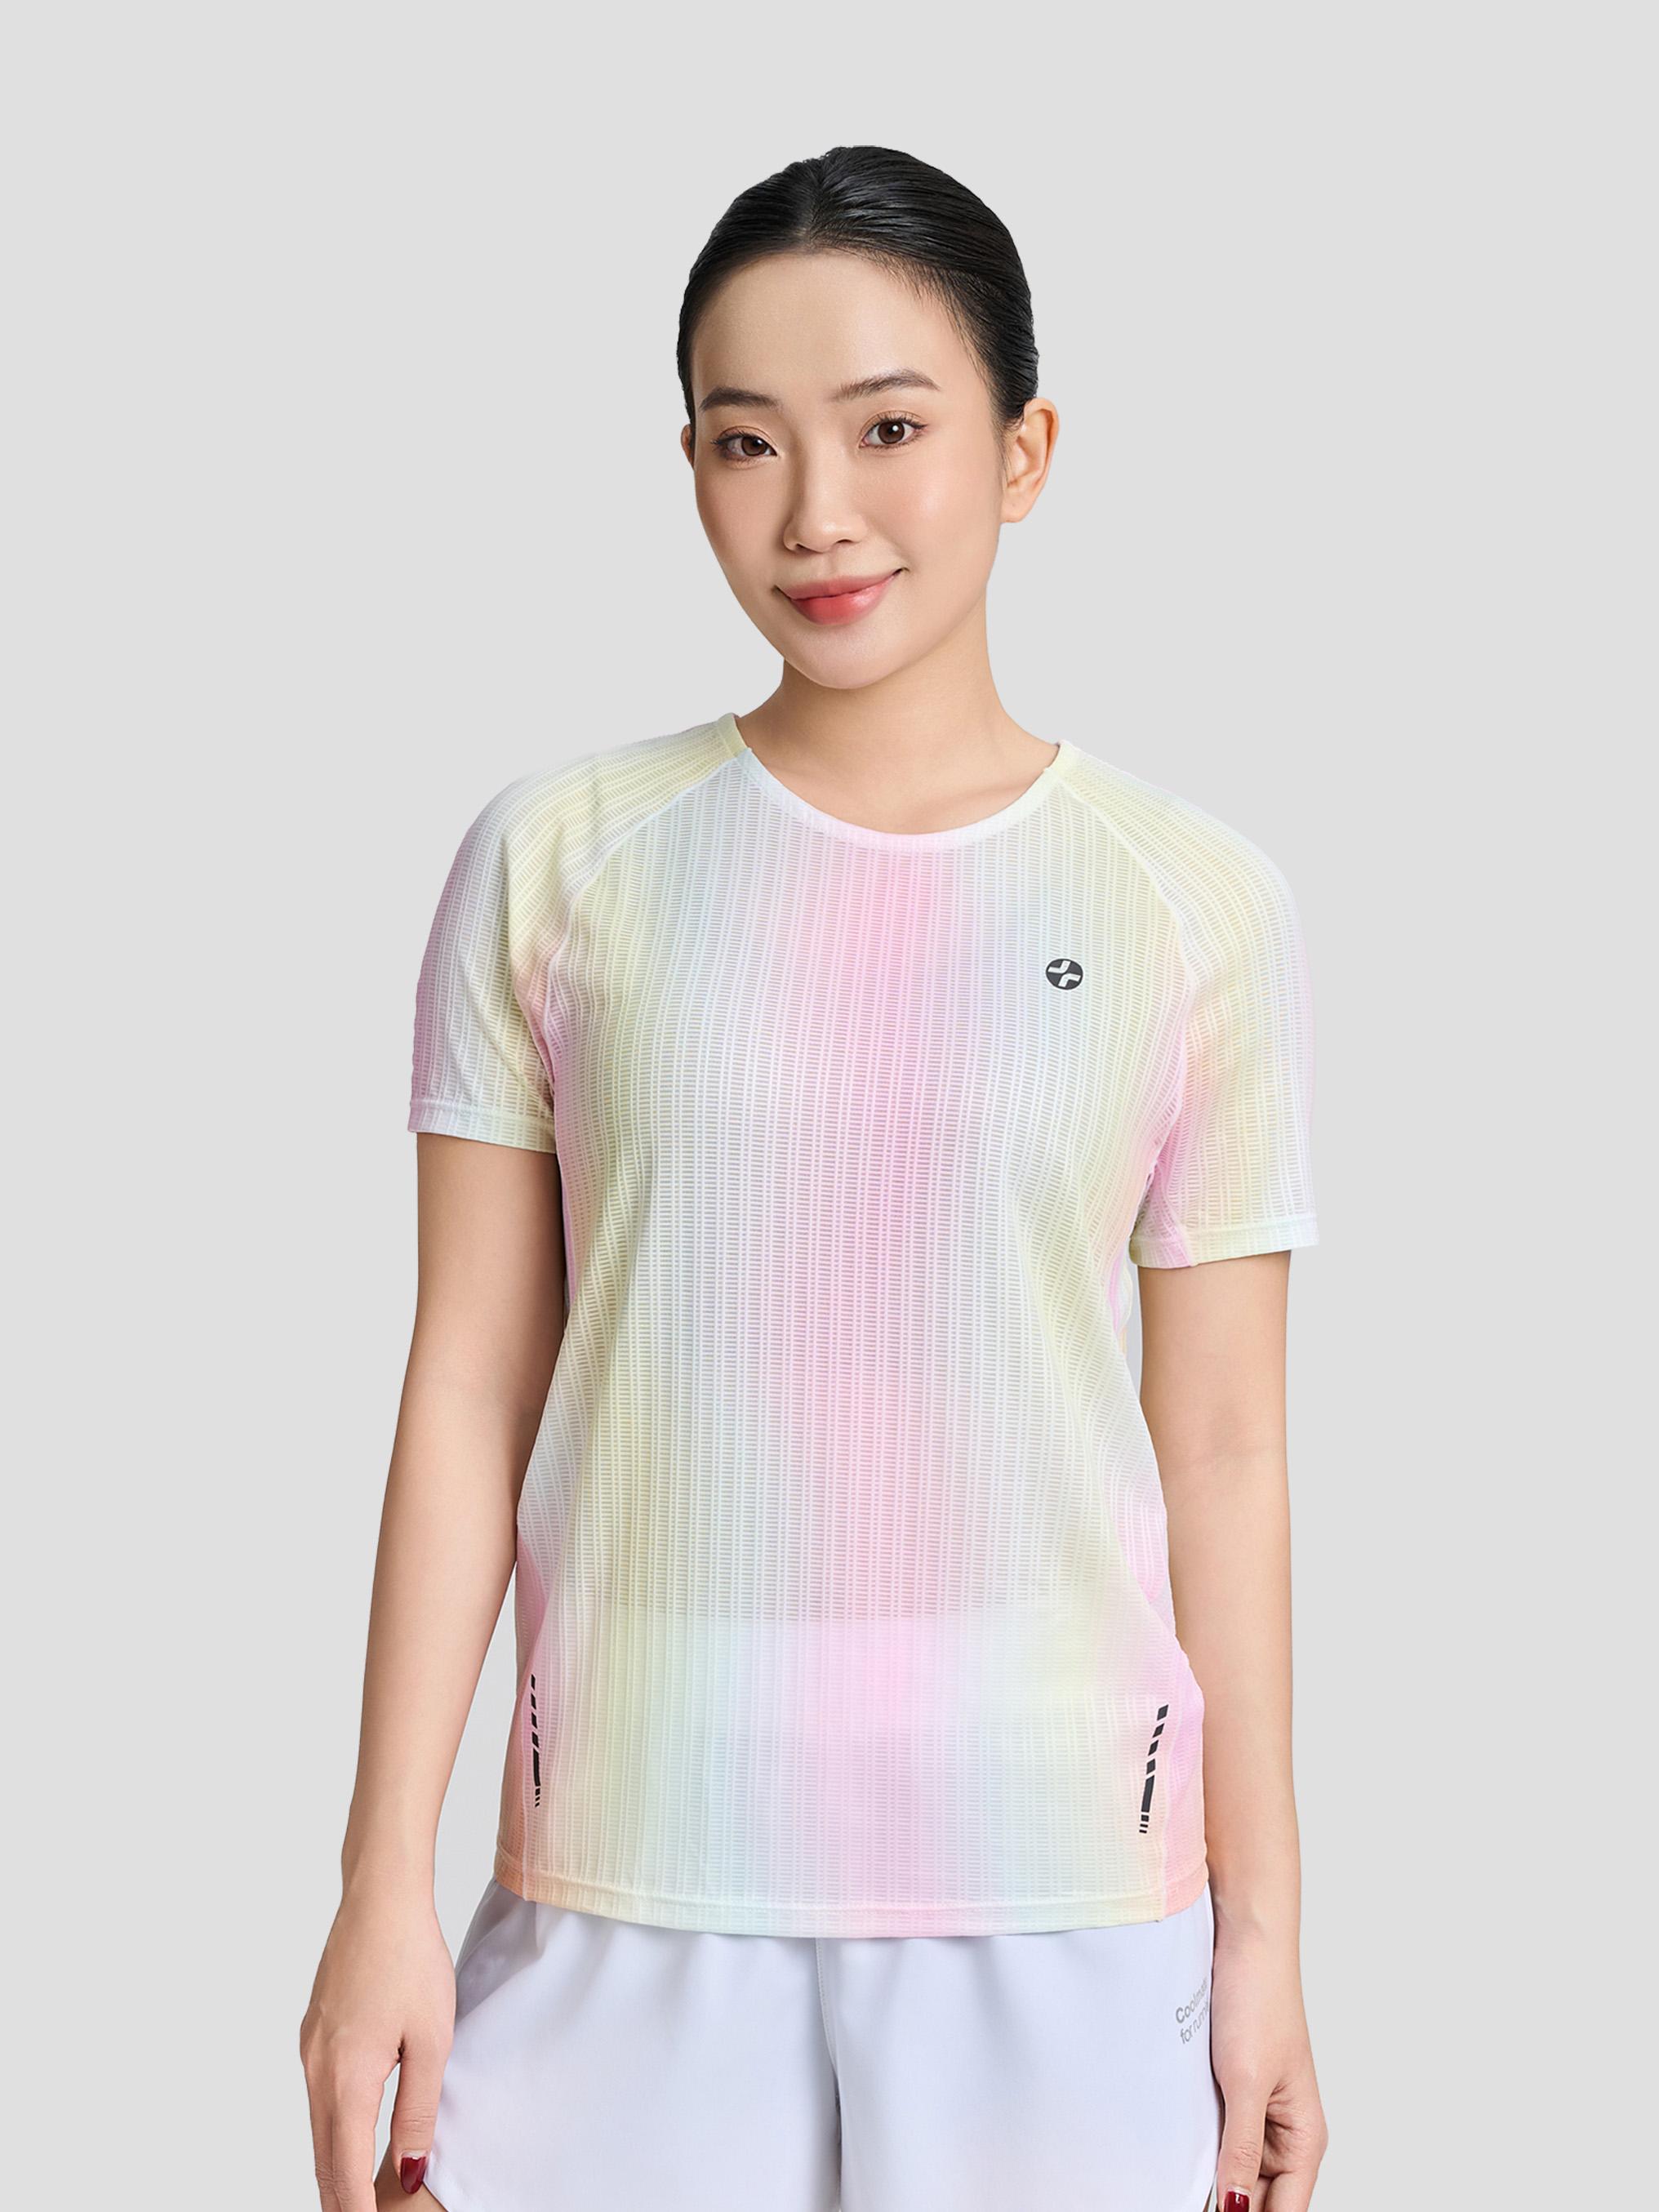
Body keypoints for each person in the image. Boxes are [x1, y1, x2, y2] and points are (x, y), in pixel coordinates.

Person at [300, 143, 1330, 2212]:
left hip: (1060, 1893)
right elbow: (469, 1387)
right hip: (624, 1876)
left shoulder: (1188, 901)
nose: (814, 515)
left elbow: (1220, 1444)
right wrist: (377, 1883)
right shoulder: (561, 860)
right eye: (742, 440)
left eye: (888, 429)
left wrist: (1263, 1937)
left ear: (1022, 451)